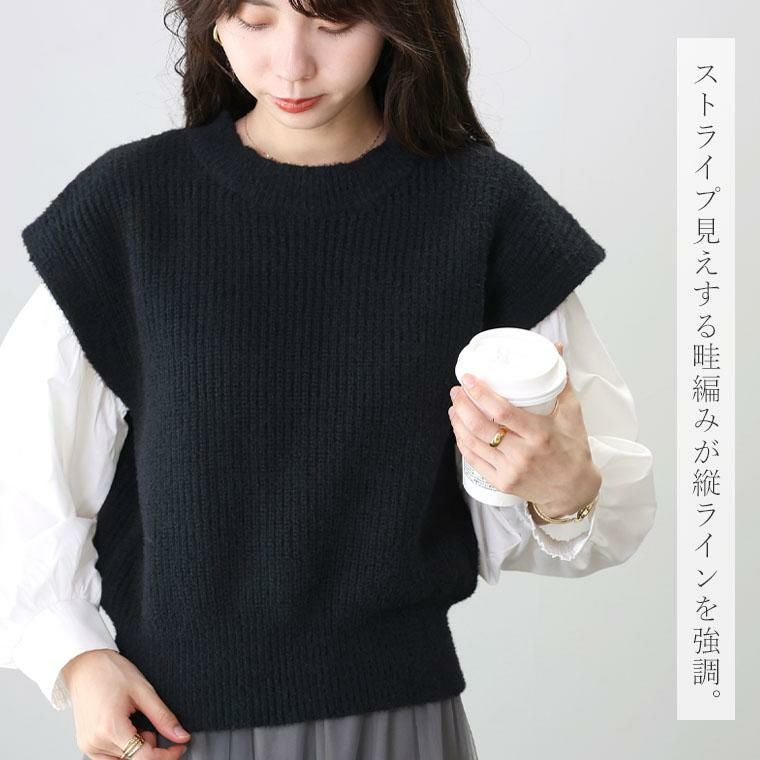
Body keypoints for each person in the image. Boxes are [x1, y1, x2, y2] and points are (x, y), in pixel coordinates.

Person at [0, 0, 657, 758]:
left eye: (334, 23)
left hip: (398, 727)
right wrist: (76, 658)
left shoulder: (483, 211)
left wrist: (566, 490)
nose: (292, 65)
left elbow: (598, 491)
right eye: (254, 20)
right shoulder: (132, 206)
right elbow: (22, 472)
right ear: (211, 20)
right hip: (171, 730)